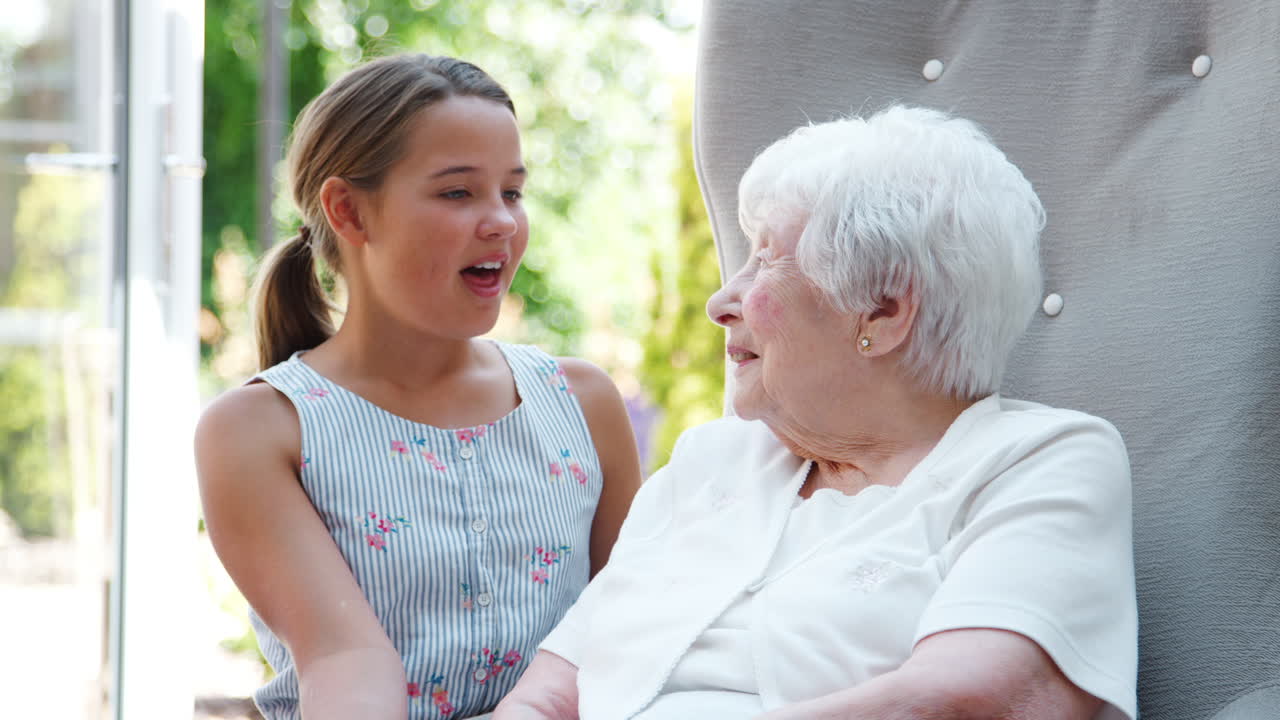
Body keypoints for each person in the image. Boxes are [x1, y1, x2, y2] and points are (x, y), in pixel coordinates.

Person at [496, 106, 1138, 720]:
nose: (723, 300)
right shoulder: (711, 460)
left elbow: (977, 700)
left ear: (884, 312)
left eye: (766, 258)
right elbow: (554, 689)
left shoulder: (1039, 462)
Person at [194, 54, 642, 720]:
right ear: (349, 211)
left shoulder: (583, 403)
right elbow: (344, 660)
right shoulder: (260, 428)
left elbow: (636, 630)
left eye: (512, 191)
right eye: (458, 192)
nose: (502, 222)